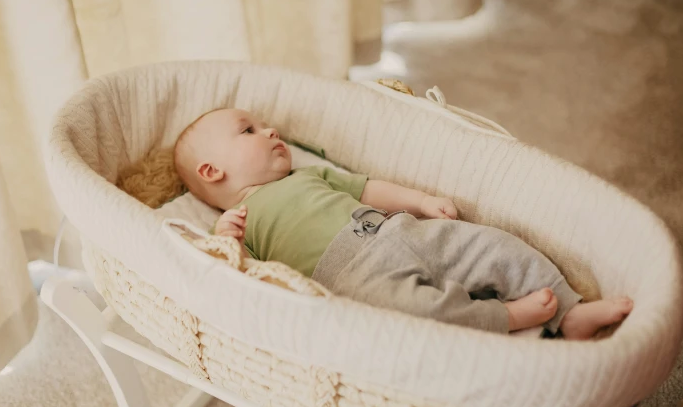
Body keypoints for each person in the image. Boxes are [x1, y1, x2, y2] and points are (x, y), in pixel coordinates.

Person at [173, 108, 633, 338]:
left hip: (400, 229)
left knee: (493, 245)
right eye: (249, 131)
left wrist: (422, 202)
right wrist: (224, 241)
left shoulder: (308, 174)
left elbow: (369, 187)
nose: (271, 131)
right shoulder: (243, 223)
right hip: (352, 277)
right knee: (420, 317)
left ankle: (570, 311)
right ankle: (507, 317)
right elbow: (247, 283)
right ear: (213, 172)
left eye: (263, 124)